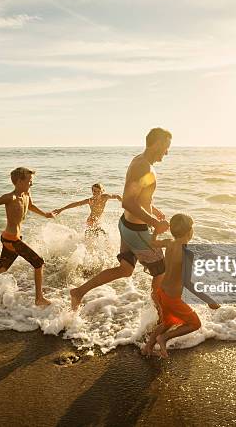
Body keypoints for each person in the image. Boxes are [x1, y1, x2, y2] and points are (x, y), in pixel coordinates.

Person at [70, 128, 172, 311]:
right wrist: (156, 223)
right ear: (157, 143)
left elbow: (140, 197)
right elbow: (128, 201)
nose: (167, 151)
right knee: (162, 270)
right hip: (136, 230)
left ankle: (79, 292)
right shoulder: (143, 166)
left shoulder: (140, 161)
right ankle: (161, 315)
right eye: (166, 146)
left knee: (125, 270)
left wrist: (154, 211)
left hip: (127, 225)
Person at [0, 167, 53, 307]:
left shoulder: (26, 195)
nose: (32, 184)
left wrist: (45, 214)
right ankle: (39, 298)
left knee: (1, 268)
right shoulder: (10, 197)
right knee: (39, 263)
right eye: (29, 181)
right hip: (12, 239)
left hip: (12, 238)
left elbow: (31, 206)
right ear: (19, 181)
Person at [142, 214, 220, 358]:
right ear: (189, 232)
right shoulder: (187, 253)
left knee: (167, 322)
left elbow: (152, 243)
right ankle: (164, 338)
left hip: (162, 292)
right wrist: (209, 300)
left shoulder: (169, 243)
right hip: (173, 298)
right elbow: (188, 283)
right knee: (195, 323)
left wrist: (156, 231)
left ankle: (148, 347)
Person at [53, 183, 122, 237]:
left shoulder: (105, 197)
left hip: (97, 220)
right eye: (94, 191)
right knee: (99, 234)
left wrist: (124, 202)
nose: (96, 193)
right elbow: (75, 204)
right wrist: (61, 209)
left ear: (102, 191)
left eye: (98, 191)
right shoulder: (90, 201)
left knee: (101, 235)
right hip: (91, 220)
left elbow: (117, 196)